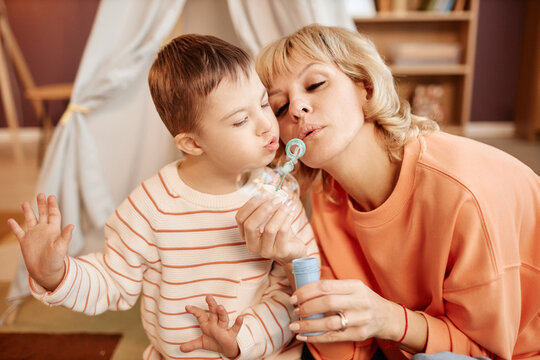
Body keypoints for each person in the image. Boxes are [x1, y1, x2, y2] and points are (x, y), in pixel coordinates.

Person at [235, 24, 540, 360]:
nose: (297, 109)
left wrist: (389, 319)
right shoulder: (327, 196)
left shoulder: (463, 193)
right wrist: (296, 263)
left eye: (315, 84)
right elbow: (345, 351)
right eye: (279, 107)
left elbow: (487, 351)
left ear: (365, 87)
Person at [7, 34, 319, 360]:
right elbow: (113, 281)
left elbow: (296, 285)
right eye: (240, 120)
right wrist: (55, 275)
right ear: (193, 144)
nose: (266, 125)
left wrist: (242, 339)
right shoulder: (149, 207)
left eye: (264, 103)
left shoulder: (280, 193)